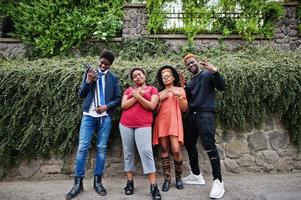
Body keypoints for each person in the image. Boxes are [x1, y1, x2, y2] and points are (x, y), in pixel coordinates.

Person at [66, 50, 121, 200]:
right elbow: (81, 94)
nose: (103, 65)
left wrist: (107, 106)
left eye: (106, 64)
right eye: (101, 62)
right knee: (83, 148)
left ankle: (98, 182)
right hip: (89, 116)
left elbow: (118, 98)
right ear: (99, 60)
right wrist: (89, 81)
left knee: (102, 148)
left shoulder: (114, 78)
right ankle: (78, 183)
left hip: (105, 117)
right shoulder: (89, 73)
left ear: (110, 65)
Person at [181, 53, 226, 199]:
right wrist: (184, 87)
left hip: (206, 114)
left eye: (192, 62)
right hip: (192, 116)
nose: (190, 65)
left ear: (197, 62)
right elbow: (188, 99)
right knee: (189, 143)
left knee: (209, 145)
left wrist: (215, 70)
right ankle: (196, 175)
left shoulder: (208, 74)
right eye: (188, 64)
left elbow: (222, 86)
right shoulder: (190, 82)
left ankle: (218, 181)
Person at [119, 67, 161, 200]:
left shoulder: (152, 89)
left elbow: (151, 106)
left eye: (139, 74)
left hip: (143, 125)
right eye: (135, 76)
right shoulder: (128, 90)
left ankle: (153, 186)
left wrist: (139, 96)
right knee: (128, 153)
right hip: (125, 124)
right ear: (132, 79)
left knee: (146, 153)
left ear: (144, 75)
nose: (138, 77)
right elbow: (124, 105)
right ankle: (130, 183)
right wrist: (137, 96)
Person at [153, 65, 188, 192]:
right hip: (161, 122)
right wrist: (159, 101)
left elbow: (184, 109)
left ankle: (178, 177)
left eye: (168, 76)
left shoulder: (180, 90)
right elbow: (155, 111)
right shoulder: (159, 93)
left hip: (174, 122)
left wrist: (179, 96)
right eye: (163, 77)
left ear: (173, 78)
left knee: (176, 149)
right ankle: (167, 179)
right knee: (164, 150)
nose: (165, 78)